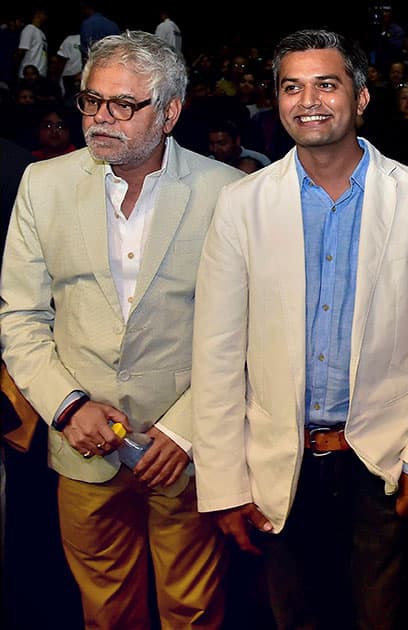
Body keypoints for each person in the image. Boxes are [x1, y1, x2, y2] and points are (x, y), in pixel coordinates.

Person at [191, 29, 408, 629]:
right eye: (292, 87)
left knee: (385, 617)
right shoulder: (242, 204)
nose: (308, 100)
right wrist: (225, 482)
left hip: (381, 461)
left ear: (360, 98)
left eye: (326, 84)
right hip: (279, 463)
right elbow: (217, 352)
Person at [0, 30, 242, 628]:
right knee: (106, 614)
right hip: (83, 446)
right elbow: (21, 317)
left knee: (193, 611)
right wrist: (66, 406)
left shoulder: (228, 192)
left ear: (170, 112)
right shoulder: (44, 184)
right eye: (91, 101)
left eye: (123, 105)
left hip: (184, 454)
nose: (100, 119)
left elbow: (248, 330)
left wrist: (185, 432)